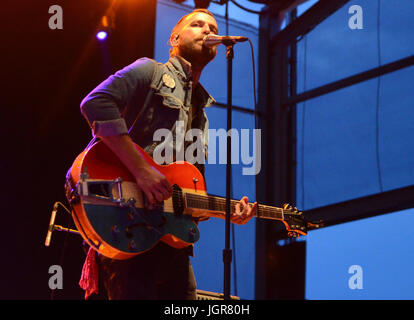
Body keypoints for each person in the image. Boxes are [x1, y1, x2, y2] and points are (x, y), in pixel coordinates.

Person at [78, 8, 257, 300]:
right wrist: (142, 170)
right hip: (128, 226)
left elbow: (183, 192)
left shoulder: (201, 113)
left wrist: (227, 212)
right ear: (174, 38)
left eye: (212, 27)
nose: (207, 31)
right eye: (197, 25)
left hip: (170, 242)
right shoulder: (150, 72)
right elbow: (95, 103)